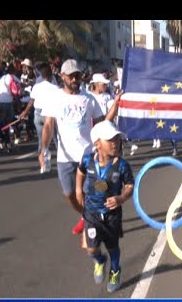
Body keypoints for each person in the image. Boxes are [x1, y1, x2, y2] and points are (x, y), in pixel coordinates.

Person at [38, 59, 121, 235]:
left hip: (88, 155)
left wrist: (116, 105)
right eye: (71, 76)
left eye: (77, 76)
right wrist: (44, 149)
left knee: (89, 193)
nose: (75, 79)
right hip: (65, 157)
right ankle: (86, 215)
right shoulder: (55, 98)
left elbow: (102, 123)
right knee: (69, 194)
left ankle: (94, 219)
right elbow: (48, 126)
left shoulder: (89, 99)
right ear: (62, 76)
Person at [76, 120, 135, 293]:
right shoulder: (88, 160)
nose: (115, 143)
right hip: (91, 212)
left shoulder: (122, 165)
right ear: (97, 144)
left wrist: (121, 198)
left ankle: (115, 271)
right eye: (110, 140)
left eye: (117, 139)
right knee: (91, 248)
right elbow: (80, 171)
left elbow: (130, 186)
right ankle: (100, 260)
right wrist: (78, 189)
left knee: (112, 246)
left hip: (112, 214)